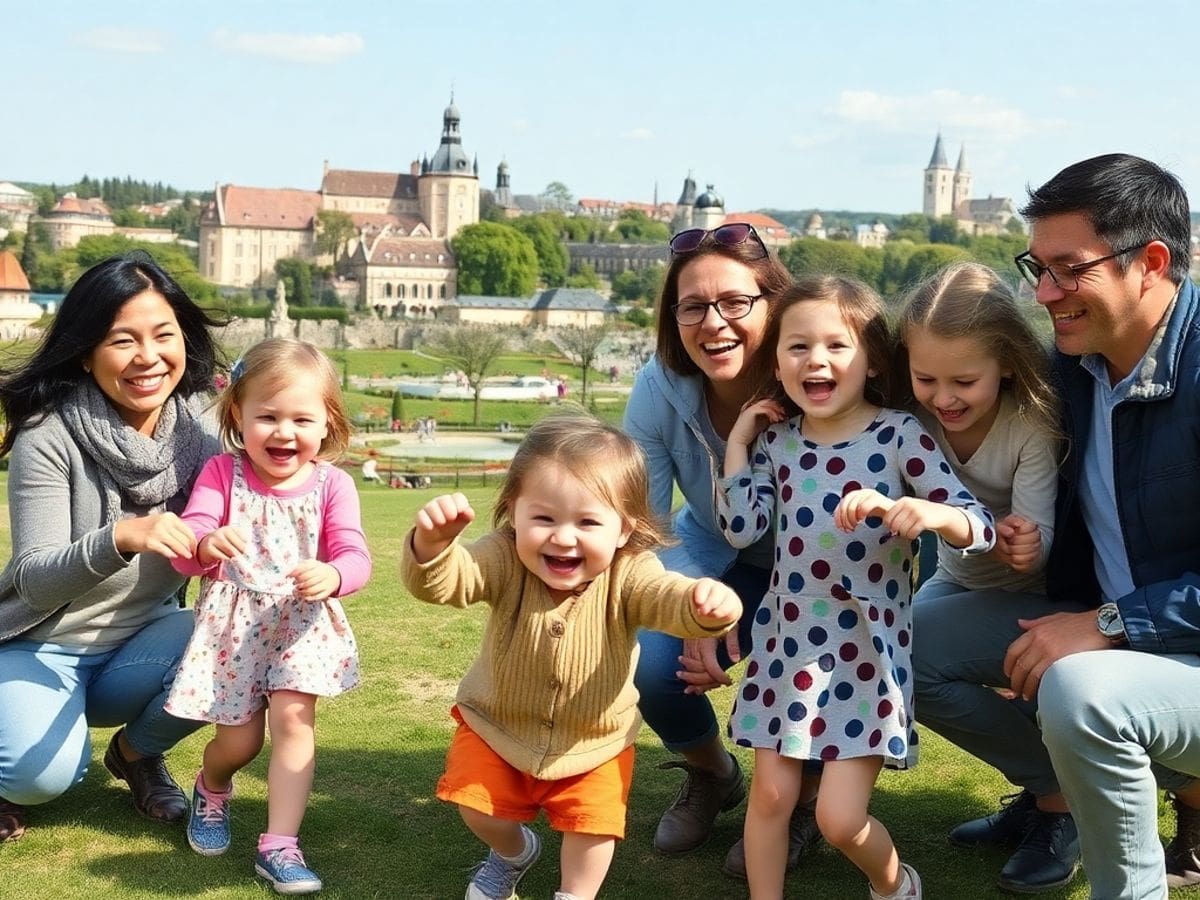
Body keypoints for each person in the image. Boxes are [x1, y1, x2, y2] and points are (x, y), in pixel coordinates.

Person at [914, 153, 1200, 898]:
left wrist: (1107, 624)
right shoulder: (1067, 371)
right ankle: (1059, 797)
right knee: (896, 646)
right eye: (1037, 268)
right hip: (1111, 630)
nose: (1043, 293)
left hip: (1156, 644)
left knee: (1080, 689)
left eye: (1068, 270)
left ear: (1152, 264)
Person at [719, 276, 994, 899]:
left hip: (865, 655)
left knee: (839, 820)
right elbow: (742, 528)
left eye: (836, 345)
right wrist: (738, 441)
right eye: (797, 346)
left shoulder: (900, 435)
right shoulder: (776, 442)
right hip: (786, 648)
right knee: (770, 798)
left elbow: (977, 525)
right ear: (777, 364)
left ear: (871, 361)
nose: (815, 360)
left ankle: (896, 886)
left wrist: (922, 512)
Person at [401, 414, 743, 900]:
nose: (563, 537)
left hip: (595, 740)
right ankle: (514, 852)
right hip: (496, 726)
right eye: (543, 519)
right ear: (513, 513)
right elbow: (452, 580)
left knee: (593, 828)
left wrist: (703, 605)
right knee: (477, 806)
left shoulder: (630, 571)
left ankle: (575, 894)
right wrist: (432, 547)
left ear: (623, 529)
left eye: (587, 522)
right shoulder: (504, 556)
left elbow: (665, 596)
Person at [0, 252, 222, 843]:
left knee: (237, 641)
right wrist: (121, 537)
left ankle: (136, 754)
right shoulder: (48, 434)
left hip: (139, 646)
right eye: (123, 340)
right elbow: (34, 580)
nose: (148, 357)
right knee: (39, 778)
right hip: (40, 646)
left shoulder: (201, 439)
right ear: (85, 352)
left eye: (163, 335)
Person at [622, 222, 813, 876]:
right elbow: (644, 526)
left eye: (735, 302)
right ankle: (714, 773)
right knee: (653, 661)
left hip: (817, 559)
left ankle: (806, 802)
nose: (713, 323)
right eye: (693, 307)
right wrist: (690, 605)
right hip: (709, 545)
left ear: (774, 303)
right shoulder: (658, 387)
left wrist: (750, 621)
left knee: (807, 663)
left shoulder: (816, 373)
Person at [164, 338, 370, 895]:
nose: (284, 433)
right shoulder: (221, 473)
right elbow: (190, 539)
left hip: (301, 627)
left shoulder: (334, 484)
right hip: (233, 633)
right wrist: (205, 544)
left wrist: (334, 575)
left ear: (327, 423)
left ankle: (279, 845)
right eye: (268, 417)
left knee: (295, 723)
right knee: (241, 745)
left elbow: (355, 555)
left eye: (302, 419)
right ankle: (212, 787)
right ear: (238, 414)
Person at [895, 262, 1060, 601]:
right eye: (925, 379)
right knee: (907, 626)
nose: (943, 399)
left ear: (1007, 364)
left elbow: (1037, 548)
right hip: (952, 577)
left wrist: (1023, 546)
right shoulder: (912, 419)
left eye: (964, 382)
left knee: (921, 627)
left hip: (1023, 594)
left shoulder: (1030, 428)